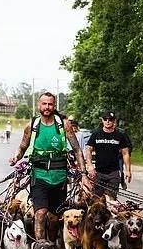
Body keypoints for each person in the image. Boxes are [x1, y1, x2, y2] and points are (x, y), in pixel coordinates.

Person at [9, 92, 87, 240]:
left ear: (54, 106)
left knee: (53, 219)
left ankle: (51, 246)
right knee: (40, 214)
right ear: (39, 105)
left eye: (50, 104)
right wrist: (16, 157)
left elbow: (77, 149)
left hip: (60, 177)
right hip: (39, 176)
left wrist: (83, 175)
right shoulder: (32, 125)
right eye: (44, 104)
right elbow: (22, 147)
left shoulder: (64, 125)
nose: (47, 107)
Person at [84, 111, 132, 198]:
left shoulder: (119, 135)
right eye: (105, 119)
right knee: (96, 199)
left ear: (114, 121)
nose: (107, 121)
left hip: (113, 173)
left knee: (111, 200)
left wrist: (128, 170)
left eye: (110, 119)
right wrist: (90, 165)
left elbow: (125, 153)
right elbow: (88, 149)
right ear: (102, 120)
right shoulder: (96, 134)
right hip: (98, 172)